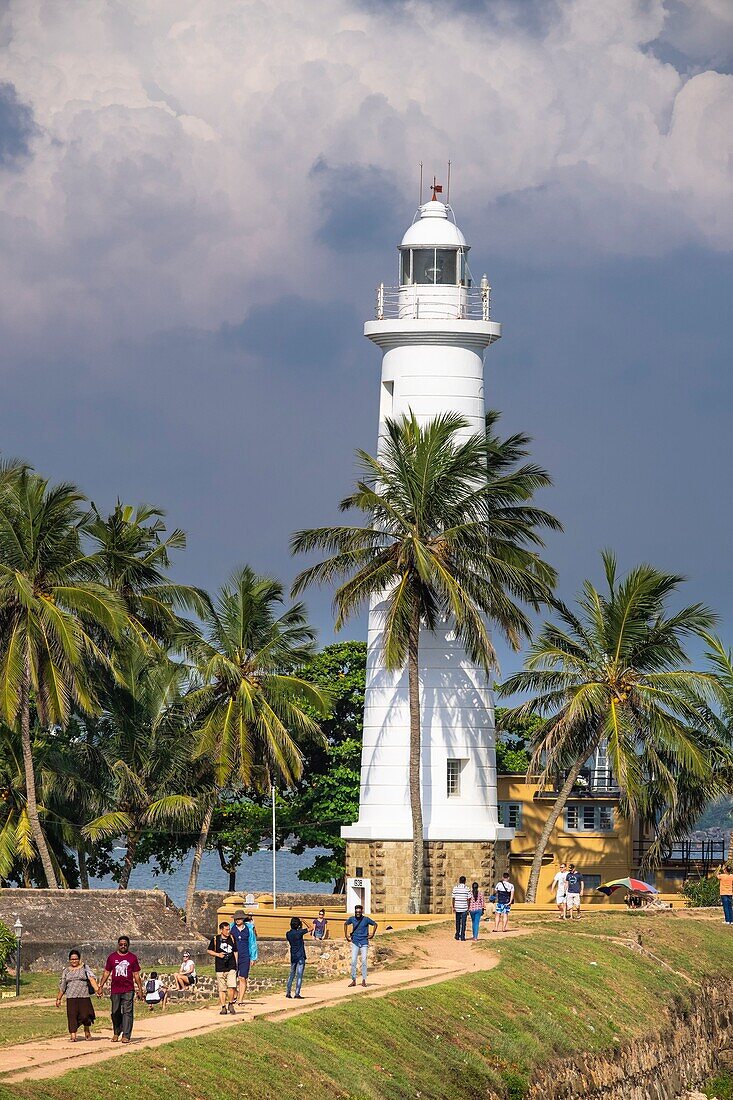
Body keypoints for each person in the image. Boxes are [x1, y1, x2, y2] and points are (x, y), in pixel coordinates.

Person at [97, 935, 143, 1044]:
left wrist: (140, 989)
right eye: (121, 944)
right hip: (115, 989)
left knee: (127, 1012)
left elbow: (136, 974)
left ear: (128, 945)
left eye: (125, 945)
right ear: (118, 945)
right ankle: (117, 1031)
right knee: (115, 1011)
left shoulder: (132, 958)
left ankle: (126, 1035)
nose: (123, 946)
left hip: (128, 989)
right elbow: (107, 972)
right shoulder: (112, 957)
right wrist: (100, 986)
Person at [56, 949, 97, 1042]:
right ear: (69, 960)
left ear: (79, 959)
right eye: (72, 959)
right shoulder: (66, 971)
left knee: (85, 1016)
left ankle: (86, 1030)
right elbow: (63, 986)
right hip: (71, 997)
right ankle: (73, 1035)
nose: (74, 961)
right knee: (72, 1016)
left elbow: (92, 979)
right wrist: (58, 998)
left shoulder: (85, 968)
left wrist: (97, 990)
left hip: (84, 996)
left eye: (76, 959)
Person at [207, 920, 238, 1015]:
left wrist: (236, 963)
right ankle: (223, 1006)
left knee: (232, 986)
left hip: (231, 966)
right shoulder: (215, 939)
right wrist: (218, 954)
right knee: (222, 989)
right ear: (221, 930)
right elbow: (209, 951)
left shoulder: (232, 938)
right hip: (220, 966)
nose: (228, 931)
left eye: (229, 929)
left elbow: (235, 951)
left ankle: (231, 1003)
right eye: (226, 929)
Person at [344, 904, 378, 987]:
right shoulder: (352, 918)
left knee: (363, 961)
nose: (357, 913)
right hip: (355, 941)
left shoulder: (366, 919)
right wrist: (346, 936)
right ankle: (353, 980)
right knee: (353, 961)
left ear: (361, 911)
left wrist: (372, 934)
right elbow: (345, 924)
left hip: (364, 941)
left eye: (359, 912)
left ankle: (364, 980)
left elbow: (375, 924)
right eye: (356, 912)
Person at [230, 910, 253, 1006]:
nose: (237, 920)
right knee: (232, 978)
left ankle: (240, 1000)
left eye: (239, 918)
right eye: (236, 919)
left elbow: (252, 943)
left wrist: (253, 957)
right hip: (232, 956)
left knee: (242, 978)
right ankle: (235, 995)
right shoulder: (231, 928)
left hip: (245, 956)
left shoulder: (249, 929)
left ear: (243, 919)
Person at [285, 916, 311, 999]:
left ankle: (288, 992)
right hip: (300, 956)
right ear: (298, 925)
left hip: (293, 956)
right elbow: (311, 928)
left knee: (291, 974)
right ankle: (297, 993)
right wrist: (304, 921)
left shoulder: (288, 934)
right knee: (299, 975)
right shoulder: (299, 933)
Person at [451, 875, 471, 941]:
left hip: (457, 907)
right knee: (463, 922)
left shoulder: (455, 888)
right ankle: (462, 936)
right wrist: (468, 908)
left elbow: (453, 898)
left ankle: (457, 935)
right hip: (464, 907)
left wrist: (453, 906)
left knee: (457, 922)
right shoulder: (467, 889)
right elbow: (468, 899)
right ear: (465, 881)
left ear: (459, 881)